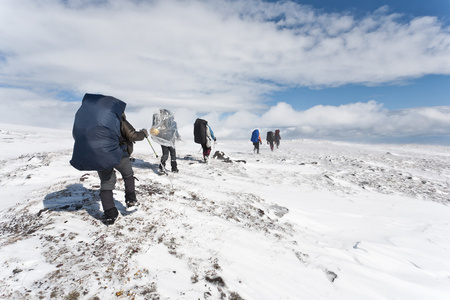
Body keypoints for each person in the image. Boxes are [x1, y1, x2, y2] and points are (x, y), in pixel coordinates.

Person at [97, 113, 148, 224]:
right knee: (128, 175)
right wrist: (143, 133)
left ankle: (110, 214)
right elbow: (132, 135)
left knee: (106, 183)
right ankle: (131, 201)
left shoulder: (94, 121)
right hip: (118, 154)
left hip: (100, 156)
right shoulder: (119, 119)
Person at [150, 109, 181, 173]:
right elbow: (176, 131)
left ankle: (164, 167)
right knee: (171, 155)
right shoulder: (172, 123)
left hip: (165, 140)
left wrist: (178, 137)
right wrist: (178, 137)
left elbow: (175, 131)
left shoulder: (162, 123)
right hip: (168, 141)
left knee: (166, 154)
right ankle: (172, 168)